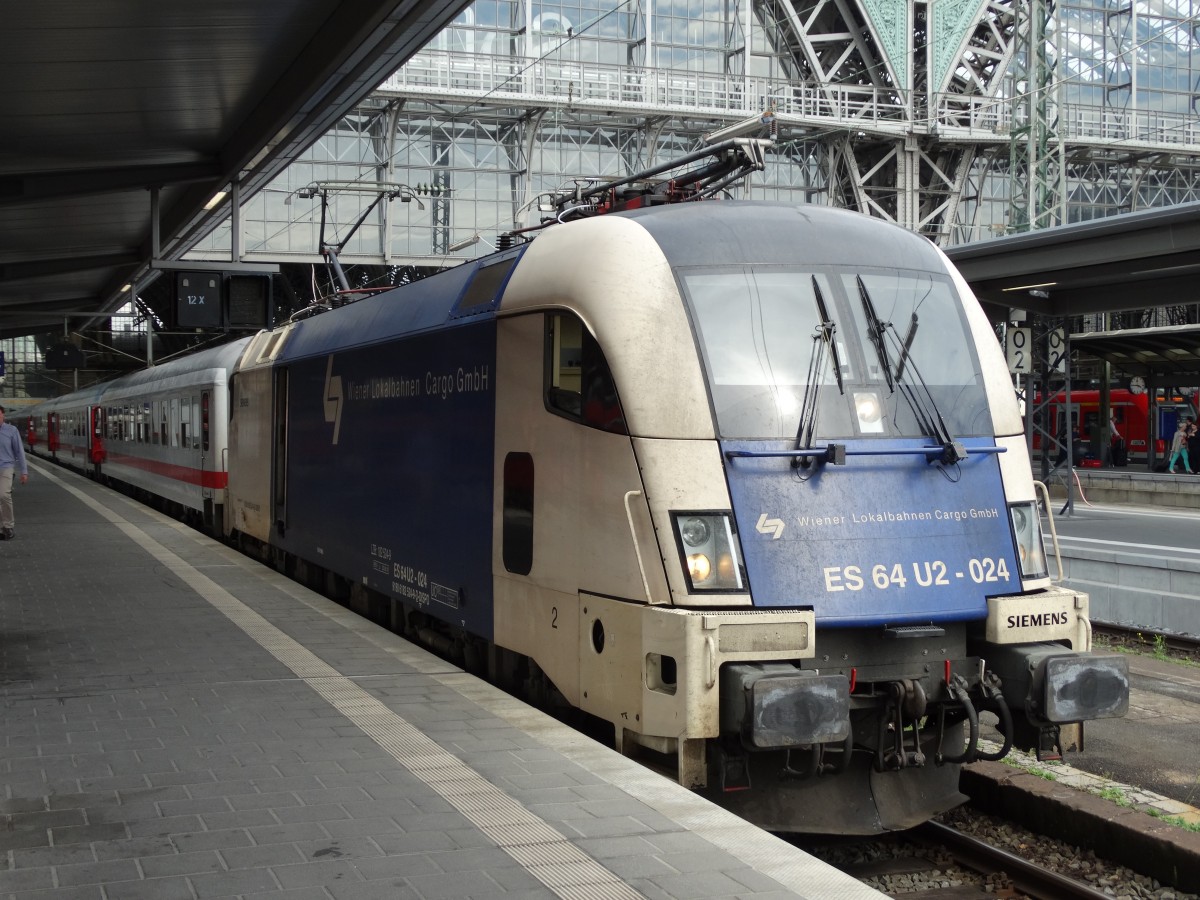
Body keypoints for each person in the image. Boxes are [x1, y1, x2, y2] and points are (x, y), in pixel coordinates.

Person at [0, 405, 29, 539]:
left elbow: (19, 452)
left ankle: (8, 526)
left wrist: (24, 471)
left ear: (3, 415)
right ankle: (3, 528)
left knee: (4, 495)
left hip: (6, 467)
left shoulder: (11, 431)